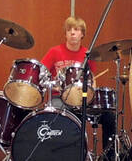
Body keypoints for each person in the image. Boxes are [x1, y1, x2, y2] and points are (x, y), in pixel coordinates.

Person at [41, 16, 117, 160]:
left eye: (76, 29)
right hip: (60, 98)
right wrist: (55, 84)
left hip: (82, 99)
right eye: (69, 30)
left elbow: (92, 80)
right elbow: (41, 74)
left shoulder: (89, 54)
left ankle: (109, 157)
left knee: (109, 116)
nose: (72, 33)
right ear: (65, 34)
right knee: (58, 114)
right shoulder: (54, 52)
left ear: (82, 33)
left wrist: (91, 93)